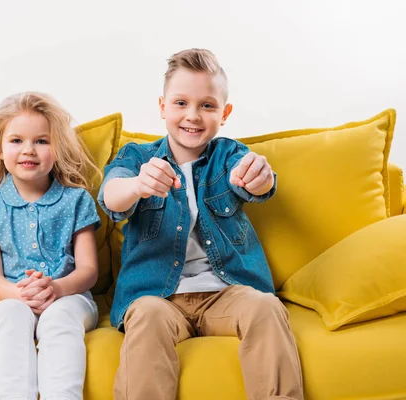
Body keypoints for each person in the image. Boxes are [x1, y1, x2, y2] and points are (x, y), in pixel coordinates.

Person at [98, 48, 304, 400]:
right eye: (181, 103)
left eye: (207, 106)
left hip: (226, 293)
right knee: (145, 316)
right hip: (158, 298)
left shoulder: (228, 155)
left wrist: (259, 177)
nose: (192, 116)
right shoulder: (138, 158)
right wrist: (137, 185)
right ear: (162, 107)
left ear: (224, 114)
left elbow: (260, 181)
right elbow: (110, 195)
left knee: (266, 308)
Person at [0, 91, 101, 400]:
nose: (29, 150)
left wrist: (57, 290)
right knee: (8, 314)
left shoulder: (76, 199)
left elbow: (89, 270)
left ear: (57, 148)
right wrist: (21, 295)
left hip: (71, 296)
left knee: (60, 317)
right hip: (13, 296)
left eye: (41, 141)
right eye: (16, 141)